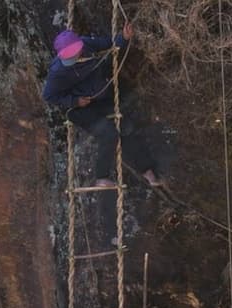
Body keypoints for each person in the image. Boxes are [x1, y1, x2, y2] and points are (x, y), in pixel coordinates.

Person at [42, 24, 160, 187]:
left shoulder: (86, 44)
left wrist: (123, 38)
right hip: (79, 109)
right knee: (108, 133)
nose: (70, 59)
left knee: (127, 127)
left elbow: (109, 43)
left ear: (80, 48)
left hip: (100, 98)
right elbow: (49, 96)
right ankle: (102, 177)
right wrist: (75, 101)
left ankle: (146, 170)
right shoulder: (58, 71)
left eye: (73, 55)